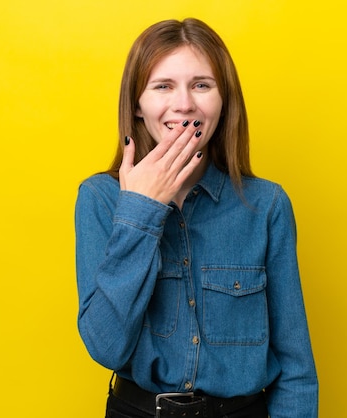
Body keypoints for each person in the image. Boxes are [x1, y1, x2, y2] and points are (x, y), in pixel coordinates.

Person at [75, 18, 318, 418]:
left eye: (202, 85)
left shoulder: (267, 205)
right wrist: (141, 210)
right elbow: (106, 346)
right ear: (137, 103)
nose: (184, 104)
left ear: (224, 102)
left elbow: (296, 368)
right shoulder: (100, 199)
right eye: (163, 86)